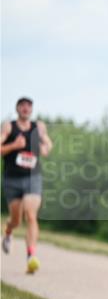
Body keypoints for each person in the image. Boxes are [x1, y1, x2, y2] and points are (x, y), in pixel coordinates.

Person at [1, 97, 53, 274]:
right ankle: (8, 231)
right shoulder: (9, 126)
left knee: (31, 215)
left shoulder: (38, 127)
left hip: (33, 178)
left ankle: (31, 256)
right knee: (16, 220)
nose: (25, 108)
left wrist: (43, 148)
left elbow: (48, 145)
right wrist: (14, 145)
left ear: (31, 110)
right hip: (12, 179)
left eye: (28, 106)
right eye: (22, 105)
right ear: (17, 109)